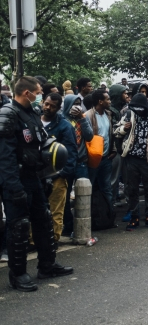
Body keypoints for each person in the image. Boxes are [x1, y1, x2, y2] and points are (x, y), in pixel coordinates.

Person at [0, 76, 73, 292]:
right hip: (17, 180)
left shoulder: (31, 113)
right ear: (26, 93)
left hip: (35, 178)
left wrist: (47, 175)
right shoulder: (8, 115)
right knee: (19, 227)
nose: (40, 96)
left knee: (44, 221)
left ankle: (47, 265)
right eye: (38, 92)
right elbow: (5, 157)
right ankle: (18, 274)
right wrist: (13, 188)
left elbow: (41, 146)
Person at [115, 94, 148, 231]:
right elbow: (116, 131)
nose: (137, 110)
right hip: (131, 159)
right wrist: (124, 128)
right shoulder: (128, 114)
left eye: (139, 108)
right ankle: (134, 218)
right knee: (132, 190)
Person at [41, 93, 77, 241]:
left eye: (52, 106)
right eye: (46, 104)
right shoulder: (34, 121)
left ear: (58, 108)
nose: (48, 108)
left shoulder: (65, 126)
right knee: (36, 210)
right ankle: (33, 241)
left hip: (57, 177)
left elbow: (71, 154)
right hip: (38, 175)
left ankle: (53, 241)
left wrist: (60, 175)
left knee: (55, 211)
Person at [62, 95, 94, 237]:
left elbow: (89, 136)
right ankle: (67, 225)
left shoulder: (82, 118)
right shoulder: (62, 119)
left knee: (83, 194)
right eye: (74, 104)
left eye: (79, 104)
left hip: (81, 162)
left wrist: (82, 118)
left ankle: (83, 225)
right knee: (65, 196)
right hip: (66, 163)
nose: (77, 107)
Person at [85, 90, 117, 219]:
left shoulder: (108, 114)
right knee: (89, 188)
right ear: (100, 101)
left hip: (106, 158)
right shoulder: (88, 115)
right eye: (107, 99)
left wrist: (113, 150)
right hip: (92, 159)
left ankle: (109, 217)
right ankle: (89, 217)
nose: (110, 101)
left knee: (107, 188)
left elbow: (110, 134)